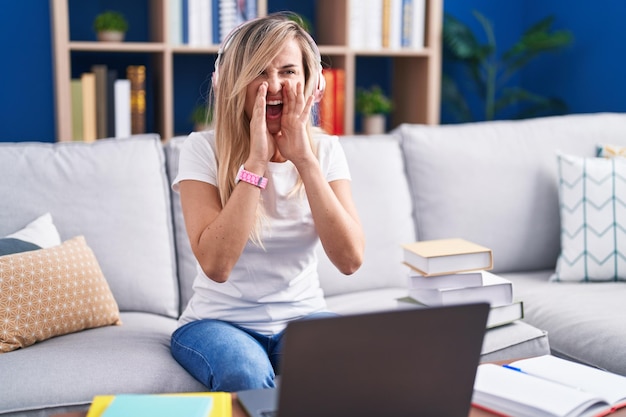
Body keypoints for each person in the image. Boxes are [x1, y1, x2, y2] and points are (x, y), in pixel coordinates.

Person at [170, 12, 365, 392]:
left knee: (350, 357)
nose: (274, 85)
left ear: (312, 84)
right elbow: (216, 265)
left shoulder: (326, 151)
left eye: (288, 71)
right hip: (218, 322)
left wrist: (305, 160)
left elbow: (350, 259)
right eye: (259, 72)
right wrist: (256, 162)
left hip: (302, 316)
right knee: (244, 372)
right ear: (233, 82)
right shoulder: (201, 149)